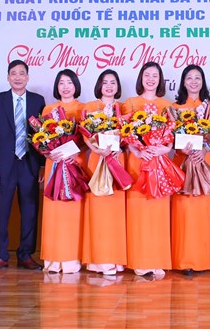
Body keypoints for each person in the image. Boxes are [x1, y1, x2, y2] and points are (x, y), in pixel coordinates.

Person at [0, 60, 46, 271]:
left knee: (30, 211)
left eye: (22, 73)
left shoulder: (38, 100)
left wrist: (42, 165)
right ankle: (0, 256)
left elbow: (43, 135)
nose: (18, 77)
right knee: (1, 211)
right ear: (8, 77)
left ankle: (25, 255)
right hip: (3, 165)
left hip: (29, 164)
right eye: (14, 73)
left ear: (27, 77)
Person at [123, 61, 173, 277]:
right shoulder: (130, 103)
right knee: (139, 211)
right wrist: (138, 152)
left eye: (155, 75)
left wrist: (164, 149)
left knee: (158, 210)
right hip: (138, 163)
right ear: (141, 78)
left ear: (160, 80)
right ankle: (140, 261)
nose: (151, 79)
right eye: (147, 75)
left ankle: (157, 259)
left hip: (159, 162)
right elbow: (125, 135)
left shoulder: (167, 105)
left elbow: (172, 136)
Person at [172, 64, 210, 276]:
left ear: (203, 82)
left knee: (202, 208)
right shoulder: (174, 108)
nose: (193, 81)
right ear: (183, 82)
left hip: (202, 159)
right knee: (184, 210)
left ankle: (204, 259)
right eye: (189, 78)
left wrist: (205, 149)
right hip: (182, 161)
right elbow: (168, 137)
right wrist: (180, 147)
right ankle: (184, 261)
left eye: (197, 78)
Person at [81, 69, 128, 276]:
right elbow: (85, 134)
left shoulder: (123, 108)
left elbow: (129, 135)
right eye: (105, 82)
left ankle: (116, 260)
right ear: (99, 85)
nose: (109, 86)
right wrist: (96, 148)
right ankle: (98, 260)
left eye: (113, 82)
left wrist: (121, 146)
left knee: (115, 212)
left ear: (118, 86)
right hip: (97, 159)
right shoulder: (90, 107)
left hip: (117, 160)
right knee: (98, 210)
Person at [39, 69, 85, 274]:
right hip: (54, 162)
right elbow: (40, 139)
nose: (65, 87)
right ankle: (52, 260)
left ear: (76, 85)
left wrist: (75, 154)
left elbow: (88, 139)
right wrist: (47, 153)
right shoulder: (48, 109)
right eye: (61, 83)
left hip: (74, 163)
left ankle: (71, 260)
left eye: (69, 82)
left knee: (72, 211)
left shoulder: (83, 108)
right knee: (54, 211)